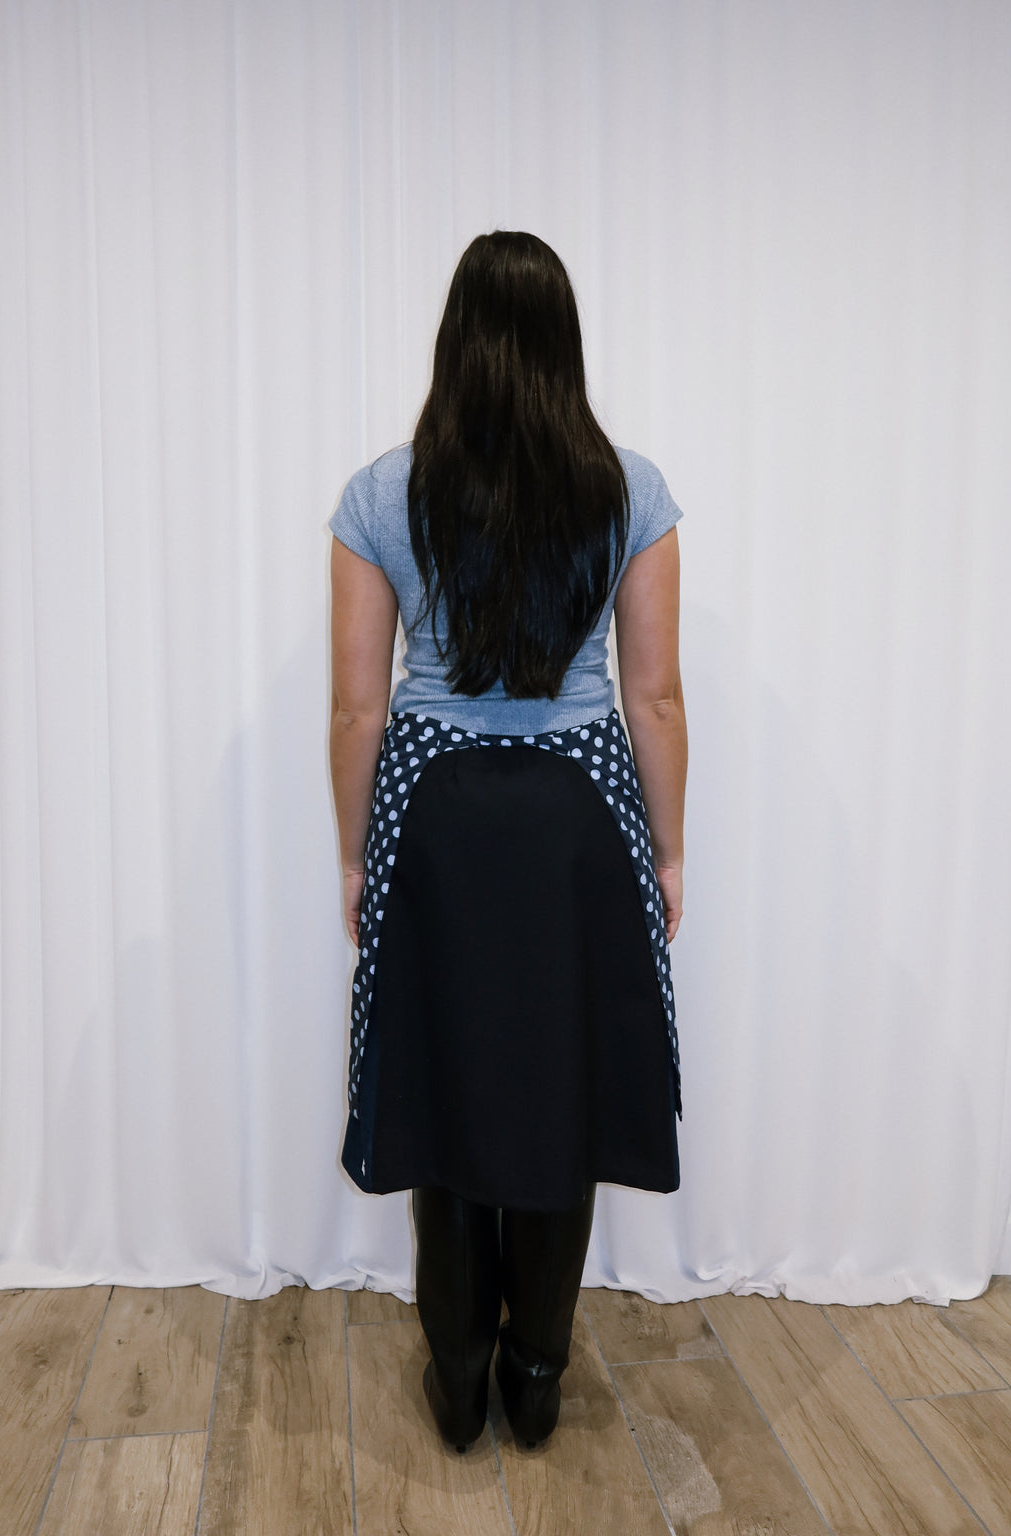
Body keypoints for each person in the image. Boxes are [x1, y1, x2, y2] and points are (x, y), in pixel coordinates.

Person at [328, 231, 686, 1452]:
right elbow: (653, 699)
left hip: (434, 819)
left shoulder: (384, 492)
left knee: (443, 1091)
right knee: (561, 1093)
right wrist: (670, 854)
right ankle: (538, 1370)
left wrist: (351, 860)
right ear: (562, 346)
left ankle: (458, 1370)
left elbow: (360, 708)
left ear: (455, 340)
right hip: (579, 823)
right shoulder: (627, 490)